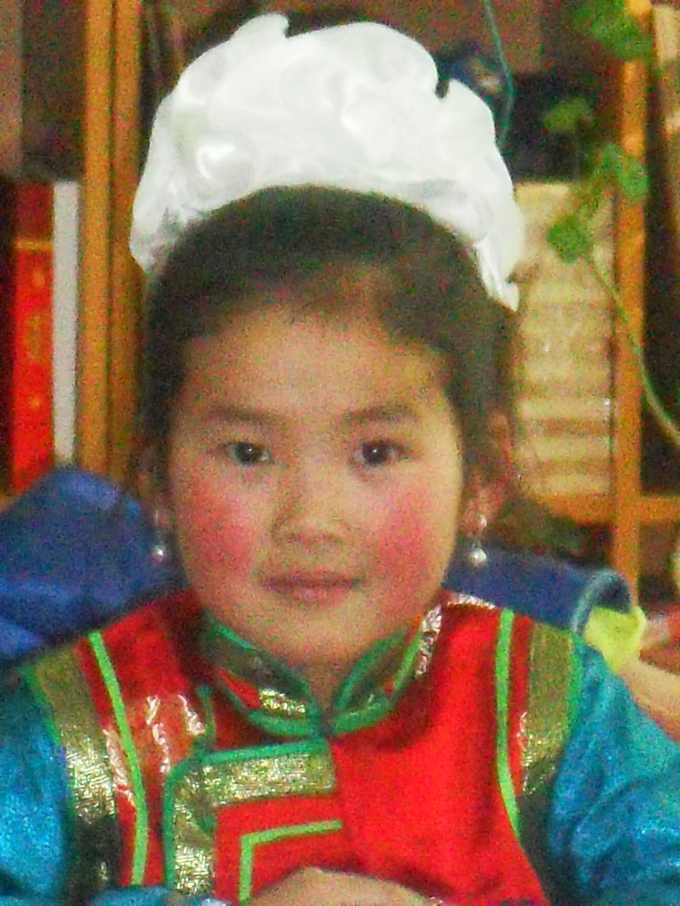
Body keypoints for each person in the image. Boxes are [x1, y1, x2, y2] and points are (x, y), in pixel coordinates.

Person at [1, 12, 680, 906]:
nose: (310, 518)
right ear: (159, 476)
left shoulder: (555, 710)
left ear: (483, 476)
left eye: (375, 452)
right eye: (249, 452)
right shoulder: (64, 733)